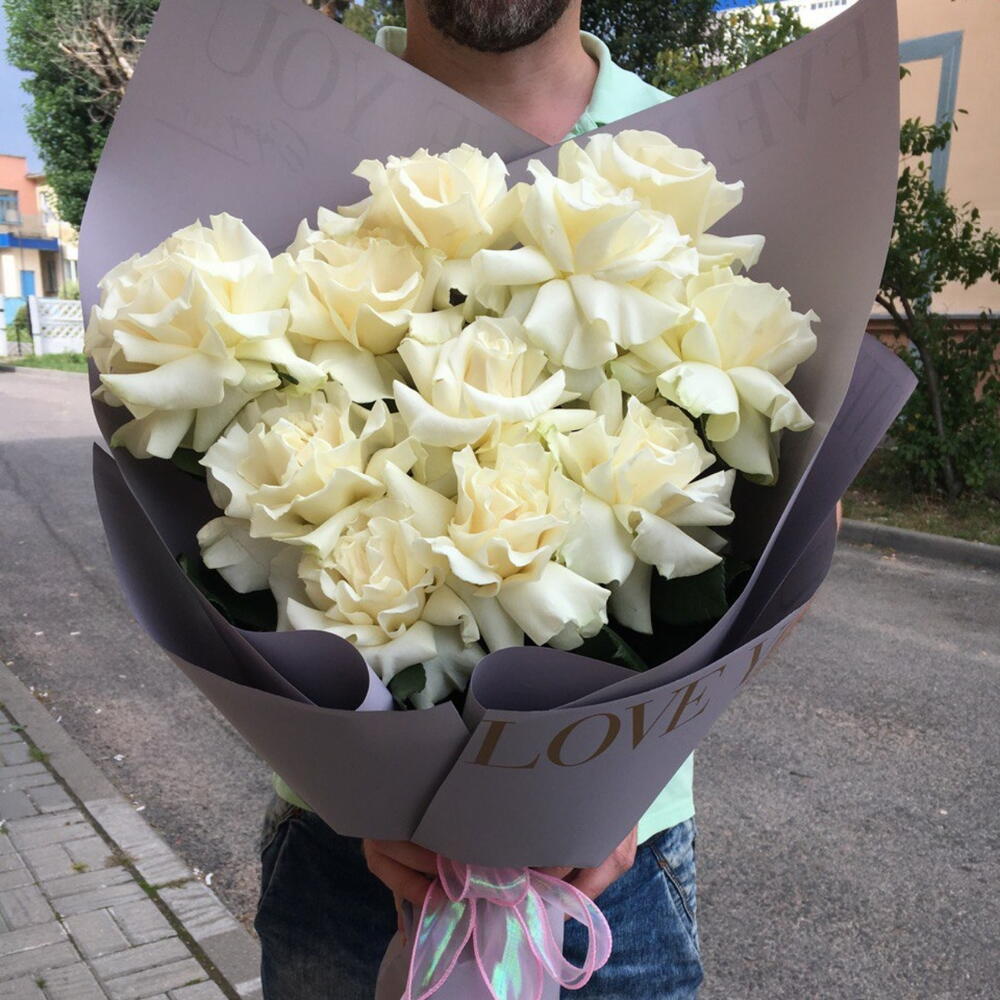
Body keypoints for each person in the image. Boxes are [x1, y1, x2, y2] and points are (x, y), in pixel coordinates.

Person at [255, 2, 703, 997]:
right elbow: (213, 498)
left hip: (615, 863)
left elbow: (796, 516)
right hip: (344, 854)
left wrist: (612, 780)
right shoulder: (285, 136)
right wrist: (356, 780)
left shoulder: (696, 147)